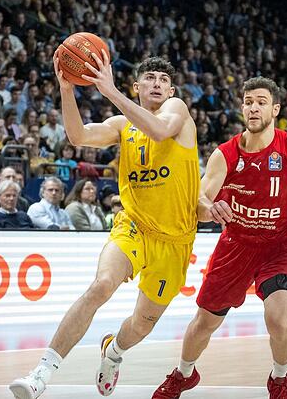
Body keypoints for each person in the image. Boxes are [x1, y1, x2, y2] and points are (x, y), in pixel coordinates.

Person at [152, 76, 287, 399]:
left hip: (281, 244)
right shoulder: (225, 154)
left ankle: (279, 379)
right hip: (236, 245)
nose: (253, 107)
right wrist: (212, 208)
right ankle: (184, 373)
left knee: (278, 319)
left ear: (274, 109)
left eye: (261, 102)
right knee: (204, 323)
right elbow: (201, 204)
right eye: (248, 102)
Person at [10, 55, 199, 399]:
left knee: (141, 325)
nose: (156, 83)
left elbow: (158, 131)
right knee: (102, 285)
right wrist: (67, 90)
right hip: (134, 224)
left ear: (171, 89)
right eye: (149, 78)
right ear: (137, 87)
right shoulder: (120, 124)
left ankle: (113, 351)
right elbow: (78, 135)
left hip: (175, 239)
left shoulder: (177, 110)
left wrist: (109, 91)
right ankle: (40, 373)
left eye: (162, 79)